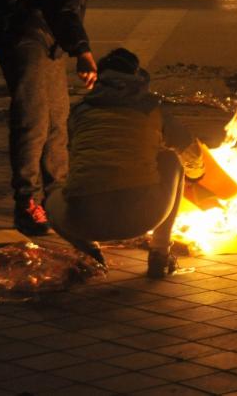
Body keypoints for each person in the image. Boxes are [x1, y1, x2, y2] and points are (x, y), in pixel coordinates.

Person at [0, 0, 145, 236]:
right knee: (33, 118)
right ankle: (27, 202)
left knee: (58, 118)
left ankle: (58, 197)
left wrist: (71, 40)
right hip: (22, 21)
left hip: (52, 28)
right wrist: (81, 48)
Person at [44, 48, 204, 277]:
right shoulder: (152, 110)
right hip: (141, 218)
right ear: (138, 78)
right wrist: (197, 175)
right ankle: (159, 254)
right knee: (171, 160)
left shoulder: (80, 112)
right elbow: (187, 147)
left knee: (51, 197)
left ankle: (90, 251)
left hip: (83, 221)